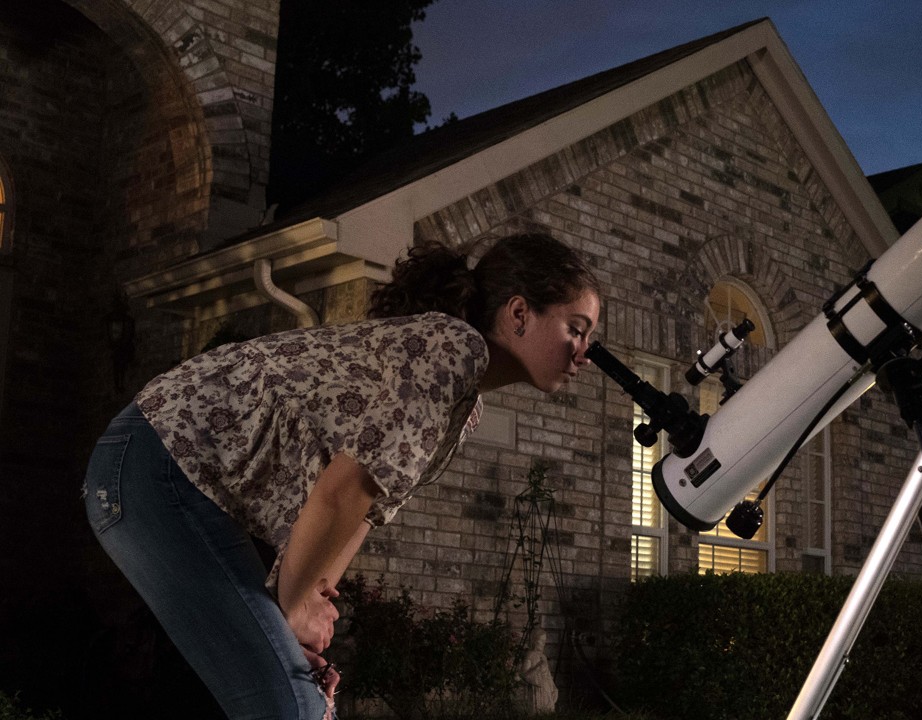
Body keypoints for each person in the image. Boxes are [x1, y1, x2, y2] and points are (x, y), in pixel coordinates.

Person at [83, 233, 600, 719]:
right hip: (157, 463)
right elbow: (340, 495)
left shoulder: (466, 405)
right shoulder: (452, 348)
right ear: (519, 313)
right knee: (289, 707)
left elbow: (362, 513)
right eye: (575, 329)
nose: (584, 353)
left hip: (169, 476)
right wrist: (292, 612)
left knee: (300, 699)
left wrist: (308, 609)